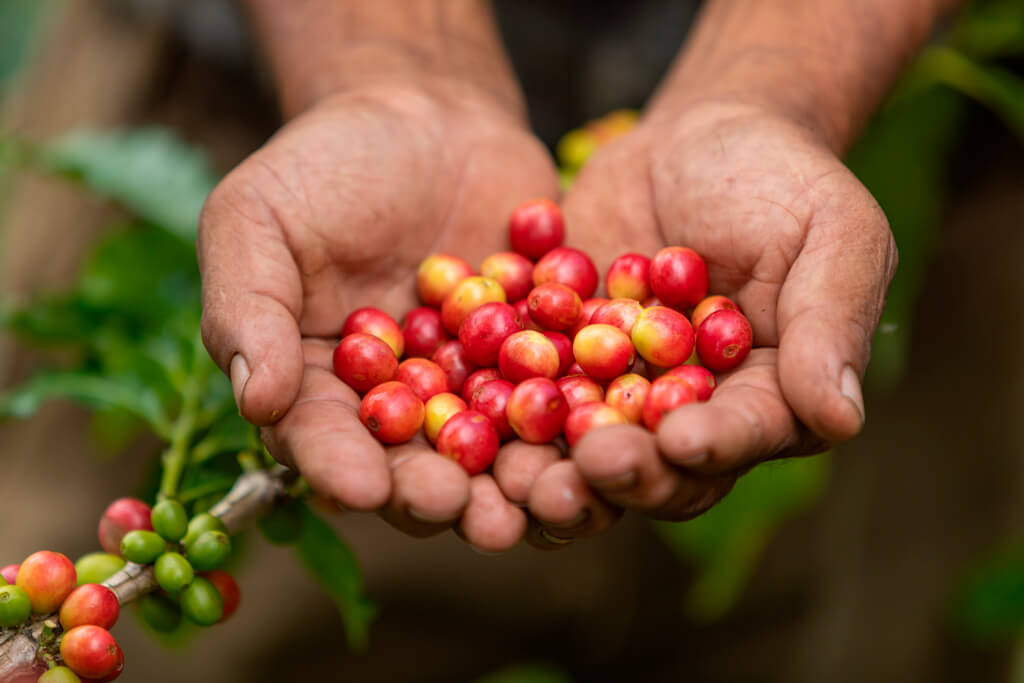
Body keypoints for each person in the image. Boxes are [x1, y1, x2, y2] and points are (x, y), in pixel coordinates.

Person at [198, 0, 960, 552]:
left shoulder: (578, 330)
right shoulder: (510, 337)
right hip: (239, 72)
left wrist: (772, 86)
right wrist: (394, 74)